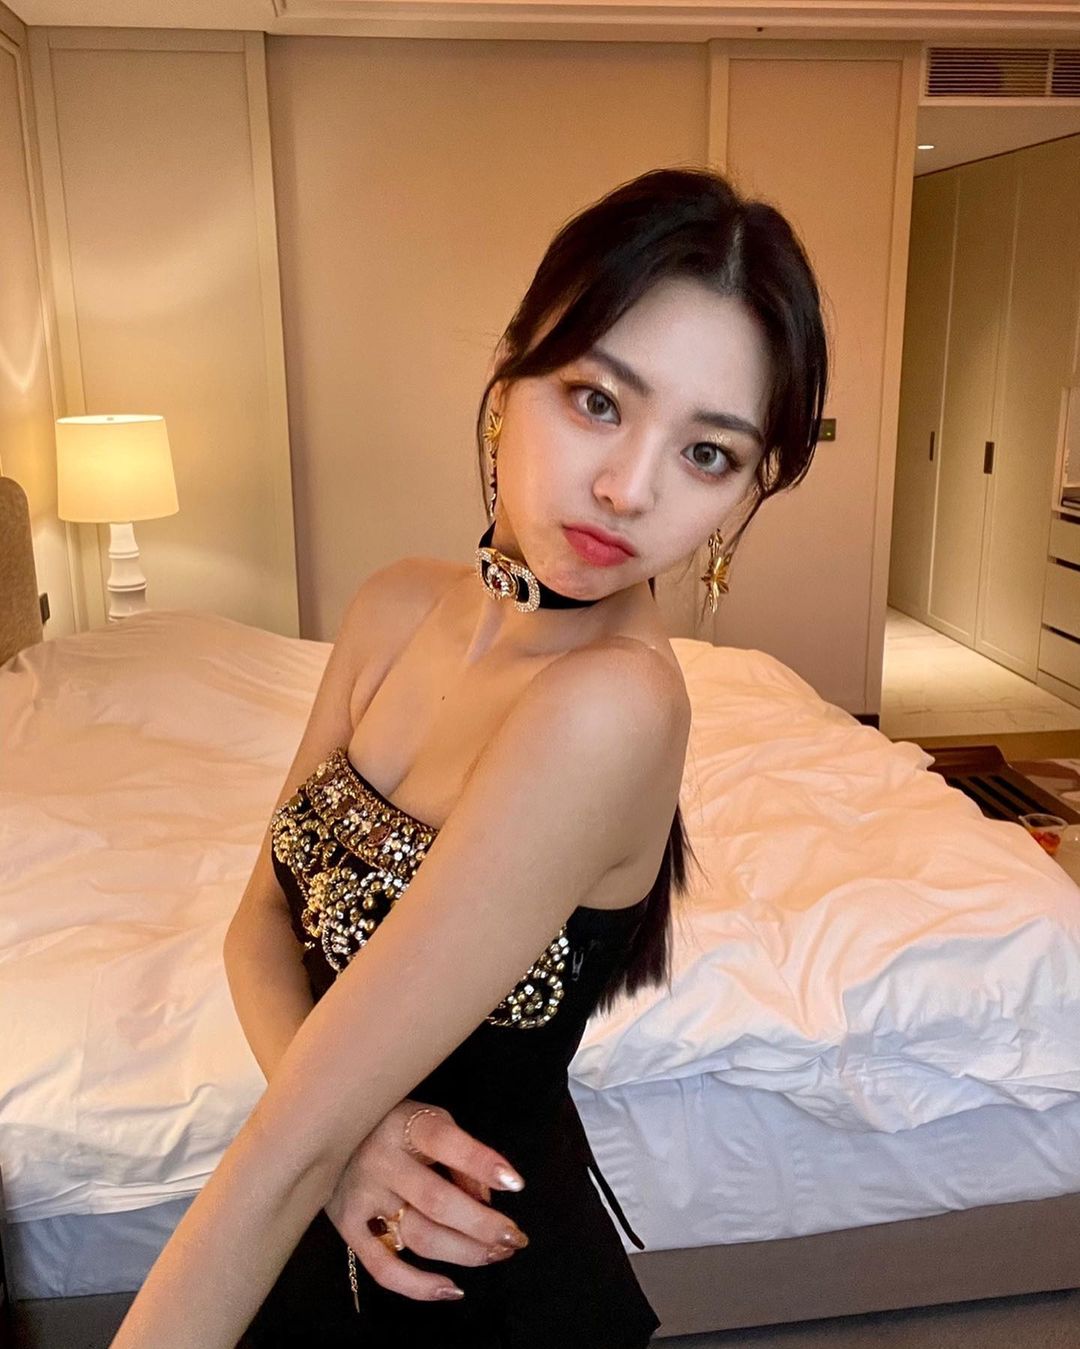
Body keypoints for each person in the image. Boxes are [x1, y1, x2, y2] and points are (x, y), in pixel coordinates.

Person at [111, 164, 828, 1348]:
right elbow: (256, 921)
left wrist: (318, 1137)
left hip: (471, 1282)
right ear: (509, 384)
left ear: (746, 493)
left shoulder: (613, 706)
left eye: (708, 454)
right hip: (342, 1205)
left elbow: (284, 1144)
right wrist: (354, 1135)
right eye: (596, 399)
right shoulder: (395, 606)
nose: (628, 487)